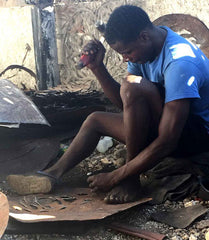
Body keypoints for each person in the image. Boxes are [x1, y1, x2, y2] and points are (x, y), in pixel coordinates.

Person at [7, 5, 209, 204]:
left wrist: (117, 175)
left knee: (132, 86)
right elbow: (127, 105)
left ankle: (131, 180)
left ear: (144, 36)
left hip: (193, 137)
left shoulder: (180, 62)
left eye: (127, 52)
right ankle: (51, 174)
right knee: (96, 120)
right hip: (166, 125)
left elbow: (168, 140)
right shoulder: (144, 48)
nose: (124, 59)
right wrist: (98, 68)